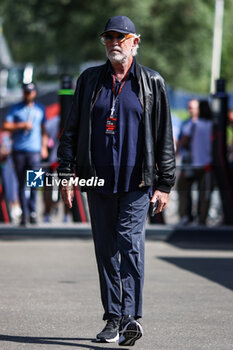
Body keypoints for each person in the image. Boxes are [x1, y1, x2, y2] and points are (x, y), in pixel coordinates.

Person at [57, 16, 175, 346]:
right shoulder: (90, 80)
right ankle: (113, 319)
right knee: (106, 250)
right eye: (109, 38)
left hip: (137, 182)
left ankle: (131, 317)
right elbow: (71, 131)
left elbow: (165, 135)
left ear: (135, 42)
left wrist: (164, 183)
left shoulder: (151, 82)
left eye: (121, 38)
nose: (115, 43)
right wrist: (66, 174)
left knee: (130, 245)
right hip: (97, 181)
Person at [2, 82, 48, 225]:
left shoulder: (40, 109)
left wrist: (44, 147)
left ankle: (33, 211)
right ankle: (24, 214)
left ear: (34, 93)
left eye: (31, 92)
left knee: (34, 183)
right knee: (21, 183)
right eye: (26, 92)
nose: (28, 94)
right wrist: (21, 125)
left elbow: (43, 130)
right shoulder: (15, 108)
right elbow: (5, 126)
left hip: (34, 151)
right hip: (19, 151)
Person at [177, 99, 213, 225]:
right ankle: (202, 218)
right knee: (204, 193)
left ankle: (186, 215)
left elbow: (183, 143)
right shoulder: (212, 126)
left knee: (183, 190)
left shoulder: (191, 124)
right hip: (207, 164)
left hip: (191, 164)